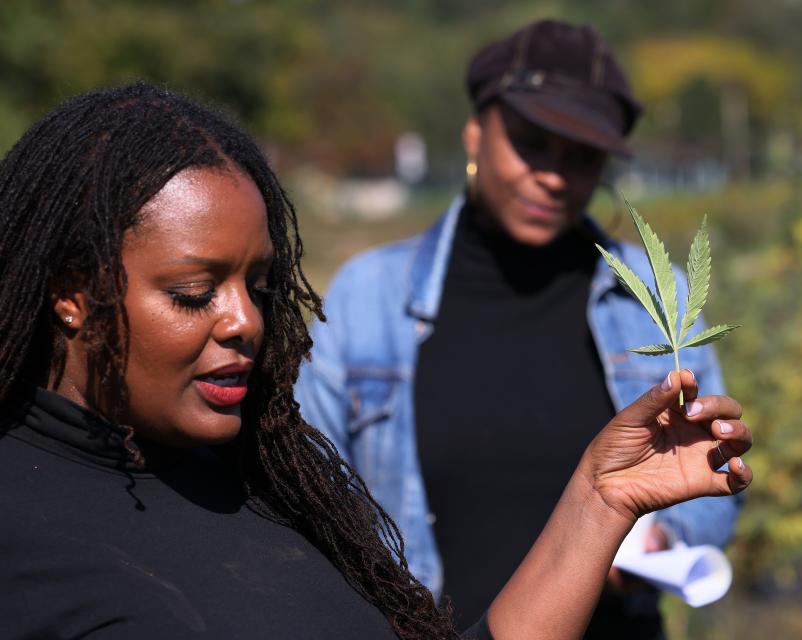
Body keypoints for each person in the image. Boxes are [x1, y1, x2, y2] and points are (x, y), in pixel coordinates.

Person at [0, 83, 752, 640]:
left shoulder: (267, 487)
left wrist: (600, 500)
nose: (246, 322)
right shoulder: (27, 534)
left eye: (261, 287)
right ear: (75, 292)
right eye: (195, 293)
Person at [295, 19, 743, 636]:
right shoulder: (368, 296)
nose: (555, 175)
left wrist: (667, 535)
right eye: (533, 142)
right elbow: (305, 491)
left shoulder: (652, 296)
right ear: (477, 133)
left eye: (582, 156)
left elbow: (713, 480)